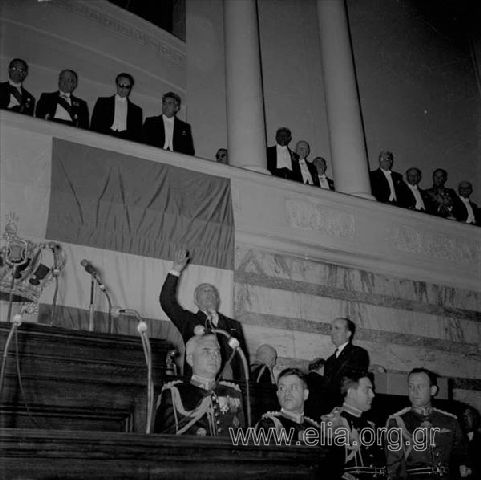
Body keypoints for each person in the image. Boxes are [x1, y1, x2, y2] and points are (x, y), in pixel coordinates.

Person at [160, 249, 248, 380]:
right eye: (204, 291)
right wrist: (176, 270)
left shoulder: (234, 325)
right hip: (198, 387)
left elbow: (242, 362)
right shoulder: (189, 321)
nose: (210, 294)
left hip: (231, 389)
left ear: (218, 300)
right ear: (196, 301)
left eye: (213, 292)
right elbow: (167, 301)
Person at [385, 368, 470, 479]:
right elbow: (393, 467)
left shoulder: (450, 421)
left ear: (433, 390)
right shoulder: (397, 422)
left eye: (420, 386)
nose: (415, 391)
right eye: (411, 386)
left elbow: (461, 457)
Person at [153, 333, 244, 436]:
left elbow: (243, 437)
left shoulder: (233, 392)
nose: (214, 356)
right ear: (190, 359)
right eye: (207, 351)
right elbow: (162, 441)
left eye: (217, 352)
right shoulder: (175, 394)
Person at [322, 371, 386, 479]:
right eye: (367, 390)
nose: (372, 395)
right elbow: (332, 469)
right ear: (351, 392)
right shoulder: (334, 422)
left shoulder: (371, 425)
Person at [255, 367, 319, 444]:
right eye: (282, 388)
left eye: (294, 387)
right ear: (278, 394)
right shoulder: (270, 424)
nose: (287, 392)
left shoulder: (315, 427)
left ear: (305, 394)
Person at [324, 318, 370, 412]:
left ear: (348, 334)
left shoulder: (357, 353)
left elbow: (353, 381)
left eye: (337, 328)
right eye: (331, 329)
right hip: (330, 409)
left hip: (348, 407)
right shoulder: (329, 360)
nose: (332, 332)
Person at [90, 73, 143, 142]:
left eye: (127, 87)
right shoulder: (102, 103)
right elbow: (94, 125)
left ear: (130, 88)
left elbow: (137, 135)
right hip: (103, 138)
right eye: (121, 85)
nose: (123, 89)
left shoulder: (137, 111)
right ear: (116, 85)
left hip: (126, 142)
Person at [142, 91, 195, 155]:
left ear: (176, 107)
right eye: (164, 103)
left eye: (170, 103)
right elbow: (142, 142)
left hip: (176, 160)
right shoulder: (151, 122)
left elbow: (190, 151)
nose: (166, 106)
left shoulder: (184, 127)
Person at [460, 405, 481, 479]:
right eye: (463, 417)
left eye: (468, 416)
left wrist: (471, 471)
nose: (465, 419)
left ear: (474, 418)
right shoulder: (456, 438)